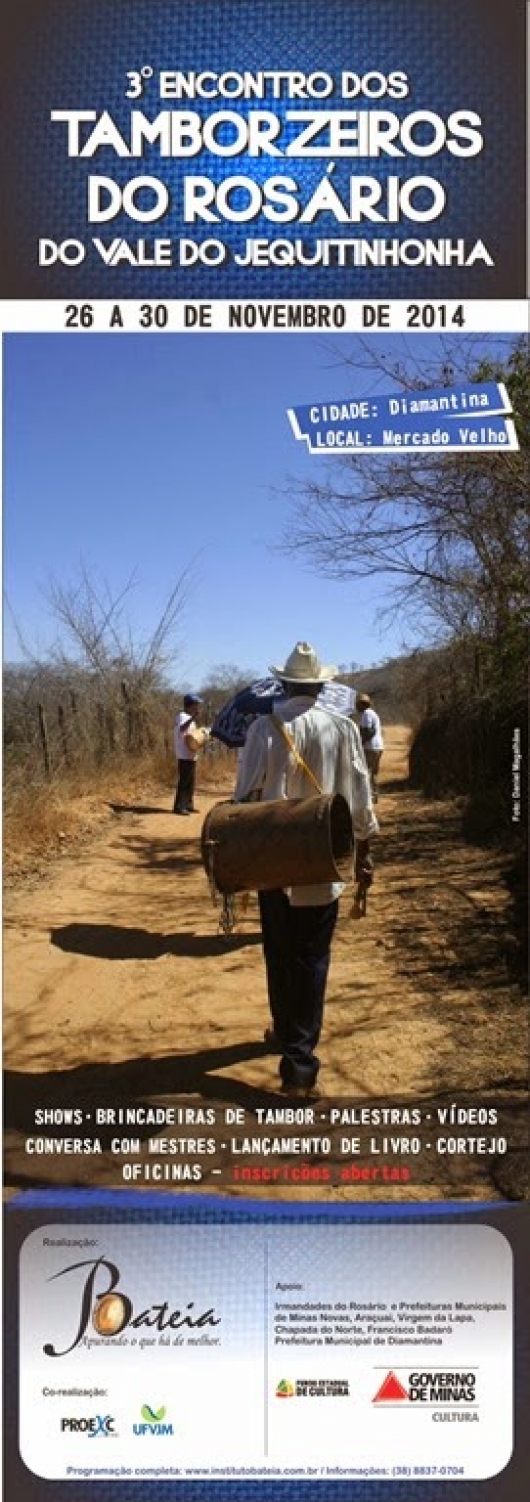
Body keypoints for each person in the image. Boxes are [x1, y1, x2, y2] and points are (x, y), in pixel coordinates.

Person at [233, 641, 378, 1096]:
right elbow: (359, 796)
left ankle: (287, 1031)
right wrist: (365, 848)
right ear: (320, 685)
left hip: (273, 859)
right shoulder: (343, 727)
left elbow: (242, 798)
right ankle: (299, 1065)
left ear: (286, 683)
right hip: (324, 856)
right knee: (312, 957)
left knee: (279, 949)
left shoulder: (262, 729)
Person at [173, 694, 209, 815]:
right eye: (195, 705)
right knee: (184, 781)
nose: (197, 707)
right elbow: (182, 729)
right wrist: (193, 718)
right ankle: (179, 806)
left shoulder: (188, 717)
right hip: (184, 754)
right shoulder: (182, 716)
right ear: (189, 705)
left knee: (191, 781)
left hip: (190, 753)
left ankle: (188, 805)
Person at [356, 693, 384, 801]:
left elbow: (368, 731)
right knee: (374, 772)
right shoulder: (373, 713)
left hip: (370, 747)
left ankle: (367, 795)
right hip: (379, 746)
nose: (357, 707)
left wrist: (361, 742)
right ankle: (374, 794)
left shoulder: (366, 714)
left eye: (358, 704)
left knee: (365, 770)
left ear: (362, 704)